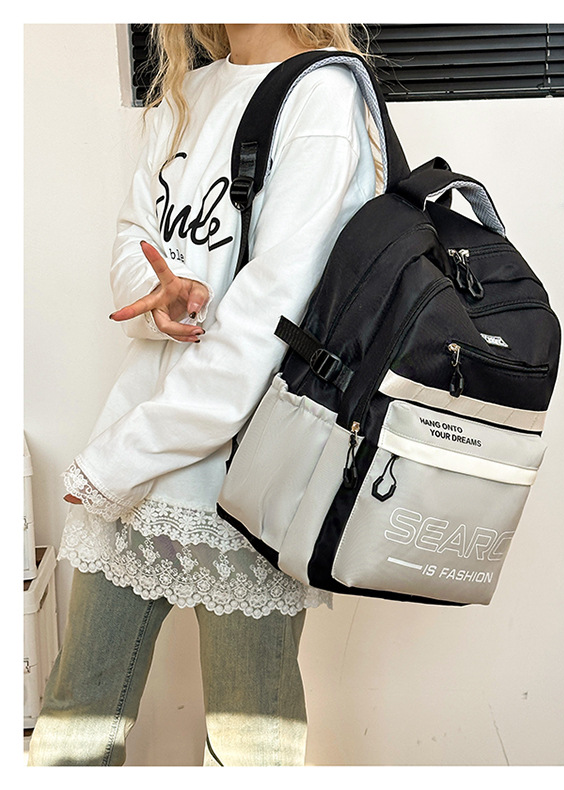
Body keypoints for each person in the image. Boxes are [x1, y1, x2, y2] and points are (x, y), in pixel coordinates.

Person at [27, 23, 378, 767]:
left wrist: (117, 460)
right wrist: (158, 292)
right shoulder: (185, 93)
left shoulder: (323, 94)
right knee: (72, 728)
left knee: (249, 746)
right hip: (144, 470)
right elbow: (134, 238)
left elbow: (271, 326)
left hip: (247, 481)